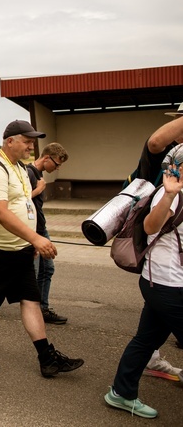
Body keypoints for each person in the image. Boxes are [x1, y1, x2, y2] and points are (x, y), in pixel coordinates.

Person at [0, 120, 83, 378]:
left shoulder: (19, 168)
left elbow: (24, 206)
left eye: (32, 141)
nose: (31, 146)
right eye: (27, 141)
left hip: (20, 250)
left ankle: (46, 357)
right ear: (10, 141)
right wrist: (36, 238)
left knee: (31, 300)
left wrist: (30, 240)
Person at [104, 145, 183, 419]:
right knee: (145, 340)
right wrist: (170, 193)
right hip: (166, 285)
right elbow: (150, 227)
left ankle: (121, 393)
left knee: (146, 340)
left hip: (164, 284)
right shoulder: (168, 193)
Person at [131, 104, 183, 375]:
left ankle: (144, 361)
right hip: (162, 253)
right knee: (160, 298)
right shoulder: (165, 156)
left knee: (153, 316)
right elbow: (155, 141)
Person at [26, 143, 69, 324]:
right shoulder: (28, 173)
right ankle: (33, 311)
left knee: (47, 268)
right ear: (46, 158)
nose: (58, 168)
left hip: (41, 229)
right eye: (57, 164)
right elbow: (20, 201)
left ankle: (42, 309)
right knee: (33, 272)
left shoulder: (39, 174)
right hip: (32, 231)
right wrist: (39, 189)